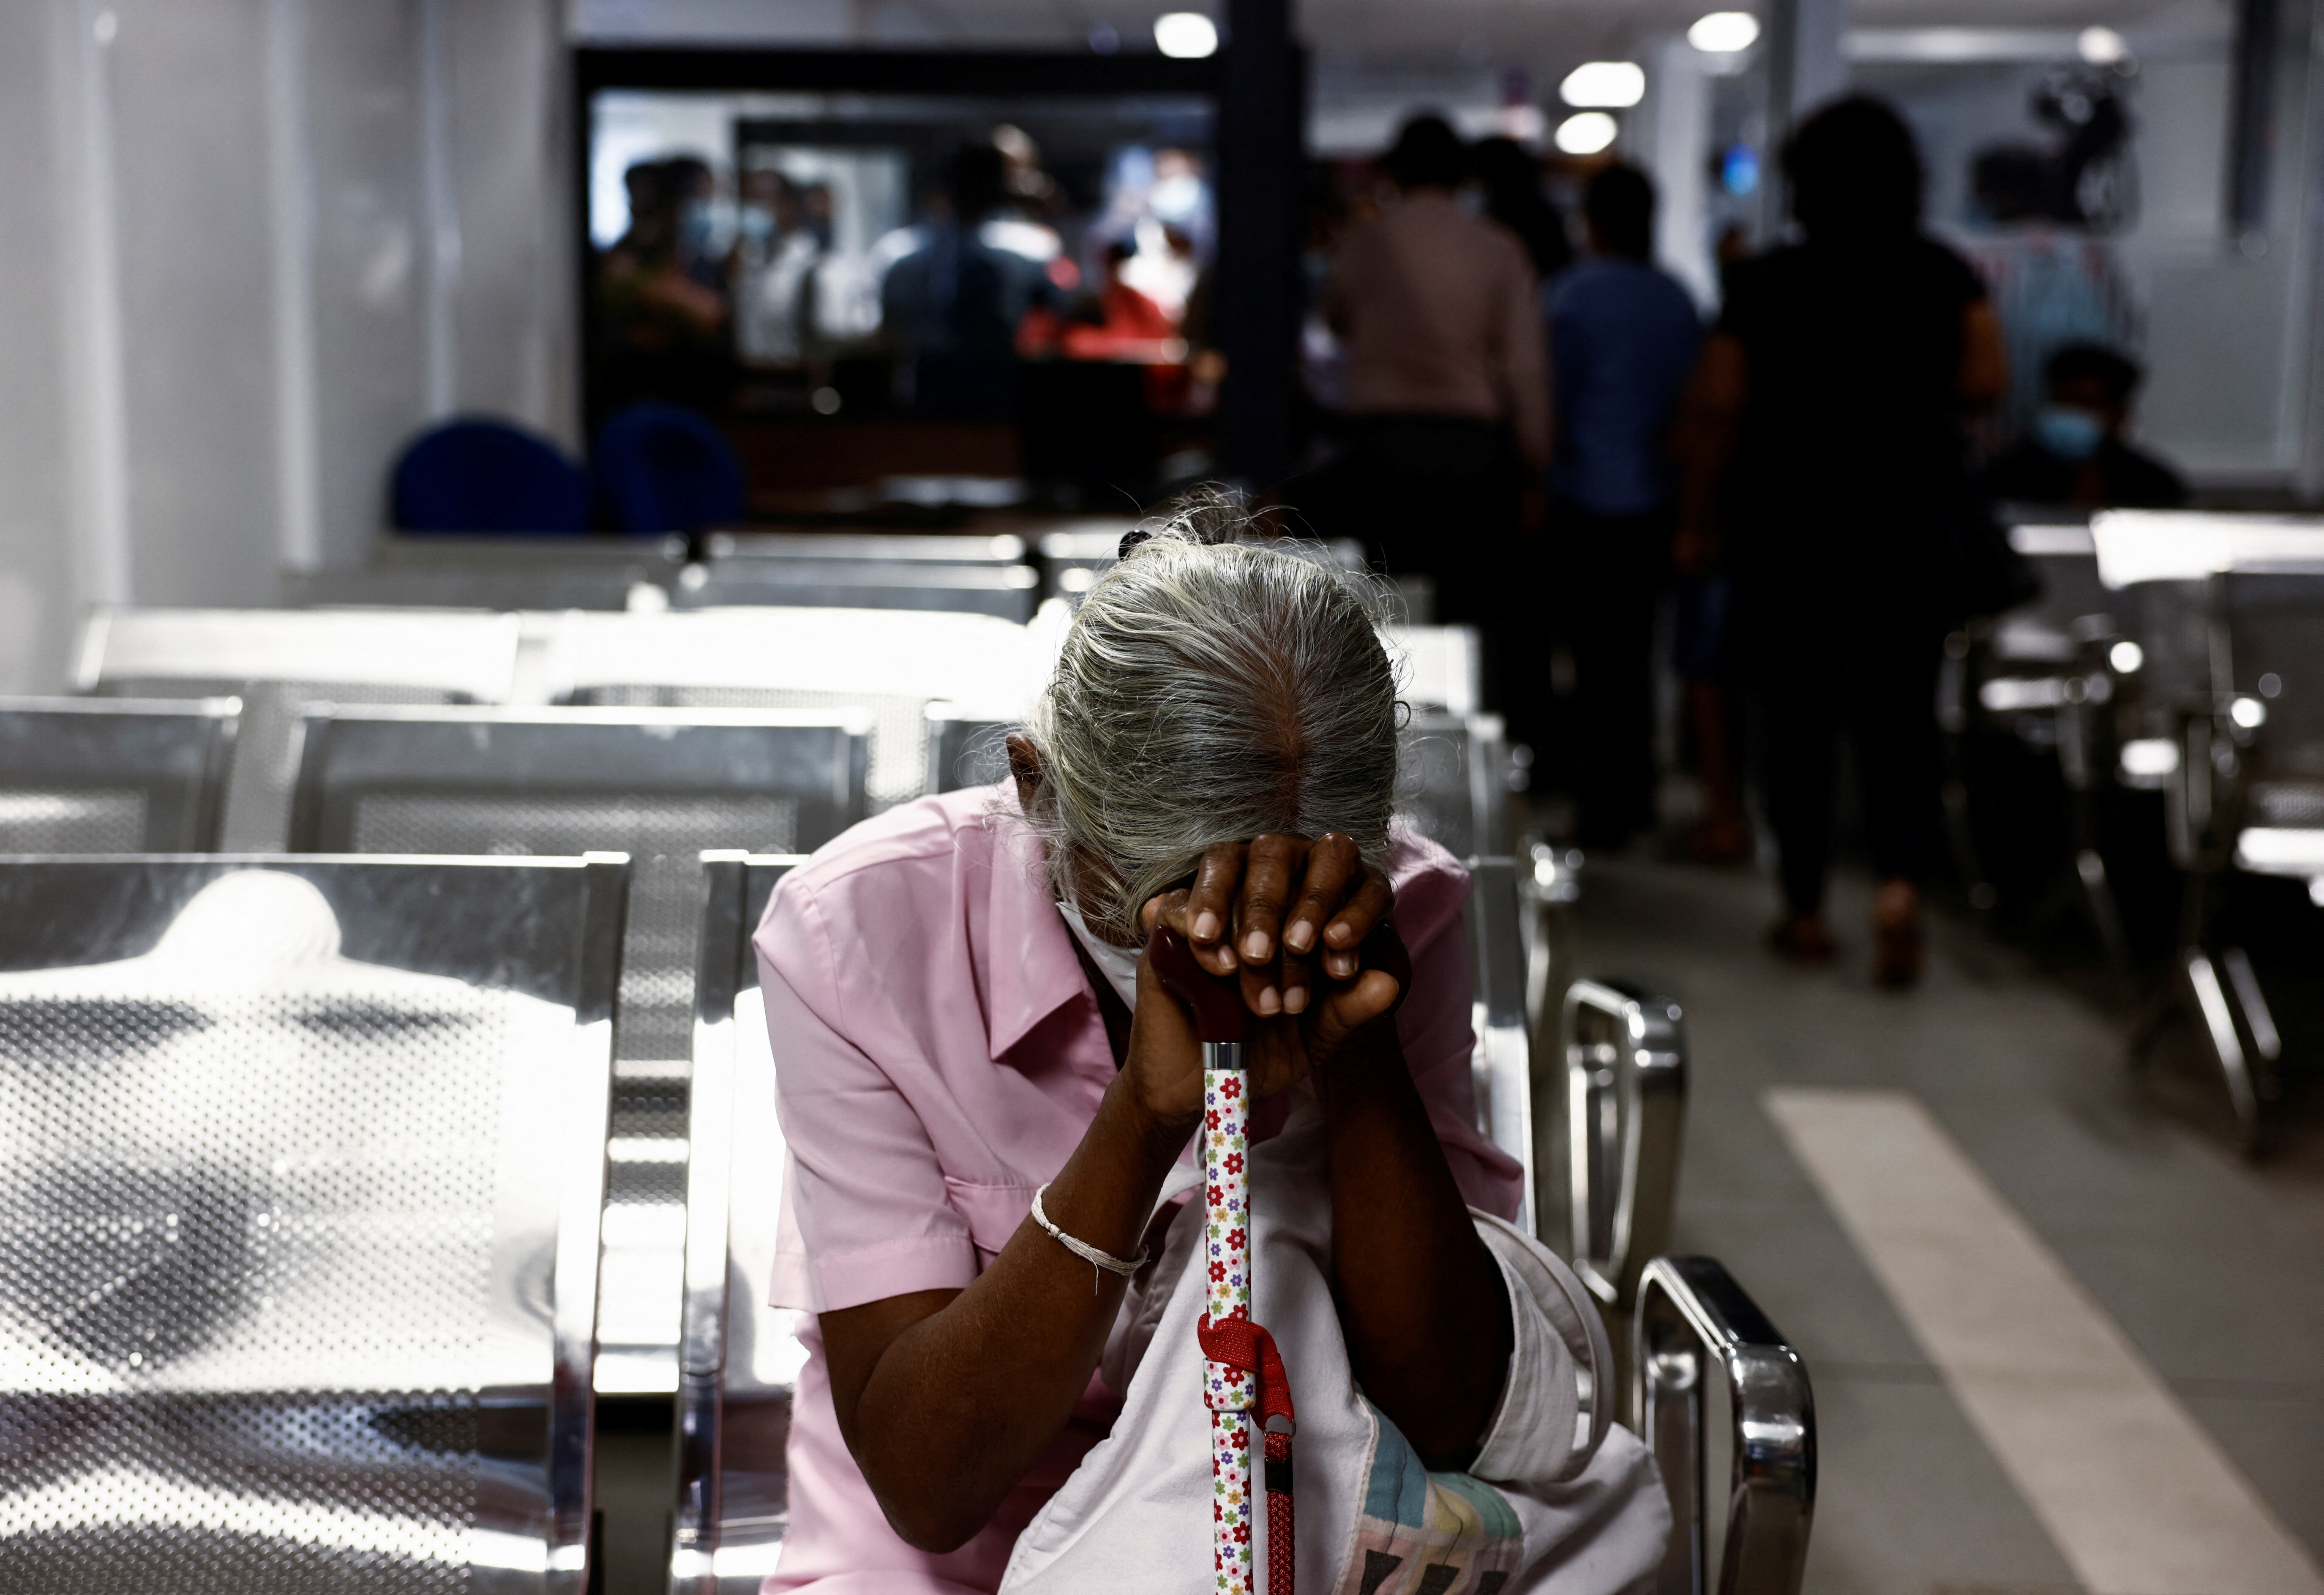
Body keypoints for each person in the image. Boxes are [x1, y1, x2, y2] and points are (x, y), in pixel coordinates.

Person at [754, 498, 1662, 1592]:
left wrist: (1356, 1042)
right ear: (1040, 792)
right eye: (1177, 900)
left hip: (1289, 1522)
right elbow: (930, 1488)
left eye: (1304, 894)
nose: (1240, 945)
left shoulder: (1402, 905)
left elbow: (1451, 1405)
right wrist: (1143, 1119)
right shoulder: (855, 931)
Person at [1676, 96, 2008, 986]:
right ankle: (1898, 886)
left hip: (1791, 527)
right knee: (1903, 723)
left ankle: (1806, 908)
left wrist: (1698, 516)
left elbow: (1717, 403)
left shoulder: (1764, 282)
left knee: (1796, 725)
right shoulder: (1942, 273)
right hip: (1906, 526)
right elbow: (1985, 377)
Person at [1322, 114, 1549, 643]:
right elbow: (1525, 364)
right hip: (1470, 450)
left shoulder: (1365, 241)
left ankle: (1383, 721)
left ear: (1395, 172)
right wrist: (1536, 464)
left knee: (1385, 612)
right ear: (1463, 175)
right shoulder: (1497, 247)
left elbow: (1336, 322)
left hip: (1383, 446)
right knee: (1473, 612)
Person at [1542, 163, 1702, 847]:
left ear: (1593, 221)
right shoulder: (1678, 300)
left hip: (1585, 502)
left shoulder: (1568, 298)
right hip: (1656, 504)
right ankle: (1637, 799)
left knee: (1591, 664)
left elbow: (1549, 404)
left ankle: (1600, 809)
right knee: (1638, 660)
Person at [881, 143, 1060, 414]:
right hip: (928, 397)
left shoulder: (1030, 252)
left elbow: (1057, 325)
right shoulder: (904, 258)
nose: (972, 189)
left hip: (1002, 396)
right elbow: (888, 337)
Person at [1983, 342, 2186, 510]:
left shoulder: (2153, 485)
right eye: (2064, 403)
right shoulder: (2008, 473)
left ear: (2119, 414)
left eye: (2087, 405)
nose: (2073, 415)